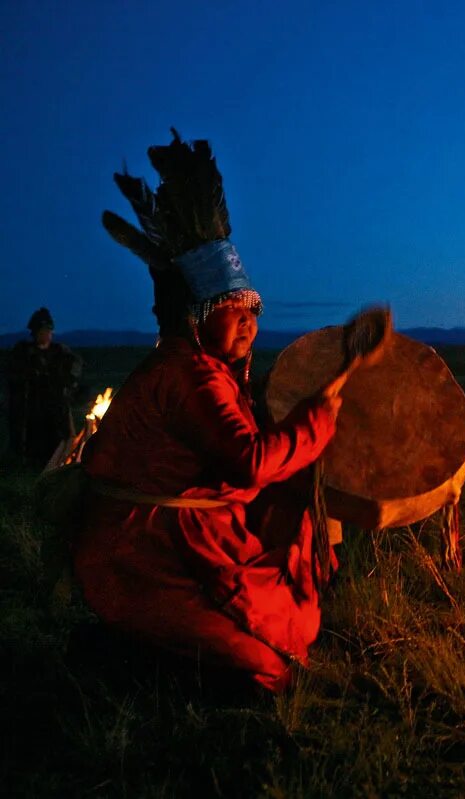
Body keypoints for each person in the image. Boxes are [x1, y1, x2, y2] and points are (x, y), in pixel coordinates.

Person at [74, 131, 343, 692]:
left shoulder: (208, 367)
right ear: (197, 316)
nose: (248, 322)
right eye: (231, 310)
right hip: (145, 549)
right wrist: (318, 418)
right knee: (266, 664)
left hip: (177, 533)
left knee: (287, 610)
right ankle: (126, 656)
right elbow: (246, 461)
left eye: (253, 311)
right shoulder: (188, 373)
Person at [7, 307, 82, 467]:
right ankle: (34, 462)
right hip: (34, 403)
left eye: (47, 330)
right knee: (36, 436)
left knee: (60, 434)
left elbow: (76, 364)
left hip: (57, 401)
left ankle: (63, 460)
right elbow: (15, 373)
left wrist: (69, 381)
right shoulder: (25, 351)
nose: (44, 334)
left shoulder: (60, 351)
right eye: (41, 330)